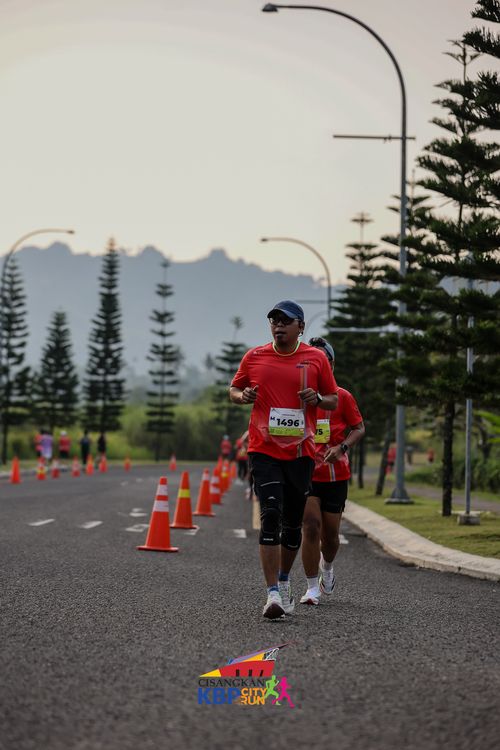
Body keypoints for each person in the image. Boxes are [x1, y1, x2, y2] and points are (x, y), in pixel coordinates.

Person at [230, 300, 338, 620]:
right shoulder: (254, 356)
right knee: (270, 515)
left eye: (286, 320)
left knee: (292, 525)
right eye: (274, 320)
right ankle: (272, 594)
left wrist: (317, 399)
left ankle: (284, 580)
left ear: (300, 327)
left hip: (300, 453)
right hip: (263, 449)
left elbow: (333, 399)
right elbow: (234, 389)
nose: (278, 325)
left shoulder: (316, 359)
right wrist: (242, 396)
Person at [300, 338, 365, 605]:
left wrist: (342, 447)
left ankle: (327, 567)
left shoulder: (343, 397)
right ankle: (311, 588)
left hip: (335, 475)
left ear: (331, 365)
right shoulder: (299, 396)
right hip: (306, 472)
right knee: (310, 527)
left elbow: (359, 428)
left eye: (323, 361)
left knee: (330, 538)